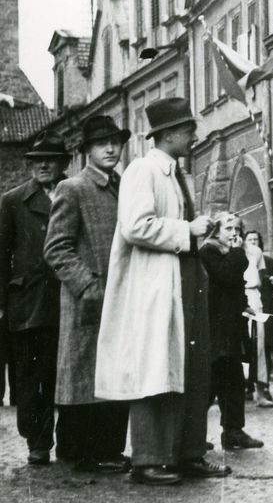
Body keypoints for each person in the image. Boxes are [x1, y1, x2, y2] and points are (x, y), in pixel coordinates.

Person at [94, 96, 229, 485]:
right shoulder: (143, 170)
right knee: (156, 371)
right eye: (188, 130)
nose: (193, 136)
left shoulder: (175, 173)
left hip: (185, 280)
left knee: (191, 370)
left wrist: (200, 234)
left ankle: (188, 452)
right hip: (157, 286)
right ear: (168, 134)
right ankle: (149, 458)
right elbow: (136, 225)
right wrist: (187, 230)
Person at [43, 115, 130, 472]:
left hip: (120, 297)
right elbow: (56, 248)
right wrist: (89, 287)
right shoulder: (73, 188)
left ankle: (108, 450)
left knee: (114, 374)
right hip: (88, 302)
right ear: (86, 151)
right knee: (83, 377)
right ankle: (80, 452)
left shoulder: (122, 186)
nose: (110, 148)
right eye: (100, 143)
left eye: (115, 142)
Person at [0, 130, 69, 465]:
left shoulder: (75, 193)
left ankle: (71, 441)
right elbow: (1, 255)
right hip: (28, 301)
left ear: (63, 164)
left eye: (51, 161)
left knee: (68, 371)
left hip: (69, 297)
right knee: (31, 376)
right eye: (37, 161)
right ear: (29, 165)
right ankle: (38, 442)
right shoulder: (12, 201)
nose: (43, 166)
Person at [199, 212, 263, 451]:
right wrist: (238, 252)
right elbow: (226, 275)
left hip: (231, 324)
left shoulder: (229, 252)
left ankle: (233, 432)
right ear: (216, 231)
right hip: (216, 326)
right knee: (212, 381)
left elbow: (236, 283)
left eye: (237, 229)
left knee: (233, 380)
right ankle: (192, 435)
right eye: (228, 229)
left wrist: (243, 302)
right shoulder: (209, 251)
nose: (234, 233)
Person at [242, 229, 273, 407]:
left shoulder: (256, 252)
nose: (234, 233)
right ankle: (240, 390)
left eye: (237, 229)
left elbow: (262, 278)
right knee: (239, 345)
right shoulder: (226, 250)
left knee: (259, 346)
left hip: (254, 298)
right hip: (236, 298)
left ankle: (261, 392)